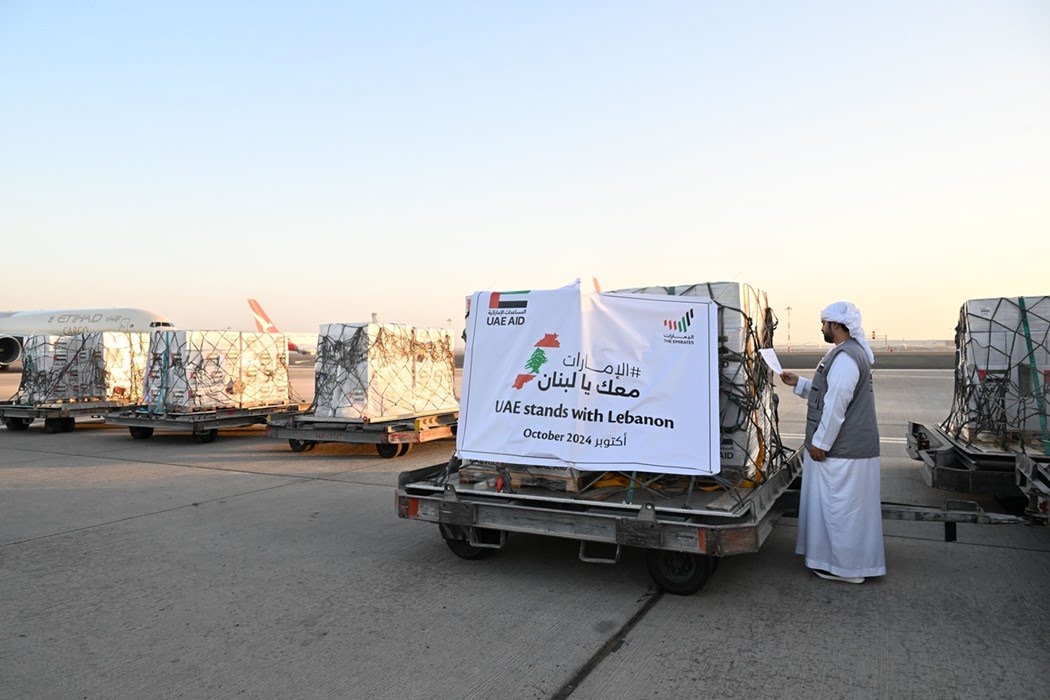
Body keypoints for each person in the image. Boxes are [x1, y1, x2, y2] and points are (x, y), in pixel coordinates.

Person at [779, 302, 886, 584]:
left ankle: (846, 569)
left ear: (836, 325)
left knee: (840, 511)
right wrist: (799, 383)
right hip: (847, 451)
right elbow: (828, 392)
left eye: (824, 323)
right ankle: (840, 564)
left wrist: (821, 443)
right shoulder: (845, 353)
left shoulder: (846, 358)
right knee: (839, 510)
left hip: (844, 453)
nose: (822, 328)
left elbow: (836, 404)